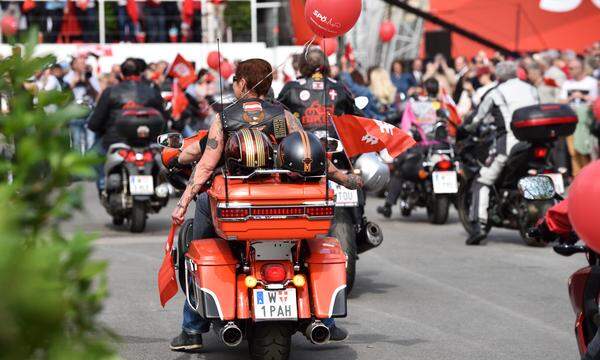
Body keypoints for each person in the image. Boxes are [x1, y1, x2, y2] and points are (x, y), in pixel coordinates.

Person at [169, 58, 363, 352]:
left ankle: (193, 329)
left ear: (243, 83)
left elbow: (206, 166)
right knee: (308, 246)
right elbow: (310, 153)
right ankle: (328, 323)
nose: (233, 85)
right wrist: (344, 178)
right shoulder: (283, 115)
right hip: (283, 202)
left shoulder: (225, 117)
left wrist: (183, 203)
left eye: (235, 80)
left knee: (201, 248)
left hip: (236, 205)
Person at [464, 61, 540, 245]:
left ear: (498, 76)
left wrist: (466, 126)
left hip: (509, 143)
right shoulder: (531, 89)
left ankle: (478, 226)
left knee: (482, 180)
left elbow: (476, 118)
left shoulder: (496, 92)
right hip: (534, 142)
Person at [88, 58, 167, 189]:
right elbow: (163, 120)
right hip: (147, 141)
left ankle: (103, 184)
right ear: (140, 73)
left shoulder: (110, 91)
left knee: (93, 157)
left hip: (115, 141)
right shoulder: (152, 91)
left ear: (121, 74)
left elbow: (94, 123)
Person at [376, 78, 441, 218]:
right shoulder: (441, 104)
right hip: (440, 147)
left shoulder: (413, 105)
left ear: (424, 89)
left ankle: (388, 206)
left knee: (399, 170)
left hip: (418, 148)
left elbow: (405, 127)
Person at [277, 47, 359, 133]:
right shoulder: (339, 87)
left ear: (302, 65)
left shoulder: (291, 87)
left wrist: (281, 139)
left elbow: (276, 115)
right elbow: (357, 117)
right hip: (334, 144)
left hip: (302, 143)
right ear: (326, 64)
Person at [560, 57, 599, 175]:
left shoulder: (592, 82)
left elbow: (597, 101)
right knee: (573, 149)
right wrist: (571, 97)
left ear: (580, 68)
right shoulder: (567, 83)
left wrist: (582, 96)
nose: (569, 71)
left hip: (587, 120)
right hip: (571, 118)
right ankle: (578, 174)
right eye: (569, 68)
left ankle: (590, 173)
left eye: (572, 68)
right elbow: (560, 101)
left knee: (585, 147)